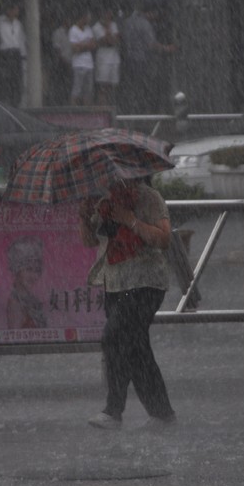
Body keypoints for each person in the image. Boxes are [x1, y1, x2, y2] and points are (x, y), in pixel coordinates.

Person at [78, 178, 176, 430]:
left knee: (114, 337)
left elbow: (164, 238)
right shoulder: (103, 200)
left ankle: (113, 410)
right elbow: (90, 242)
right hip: (114, 283)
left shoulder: (148, 197)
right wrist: (84, 218)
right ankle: (162, 413)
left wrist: (130, 219)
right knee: (136, 348)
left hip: (145, 282)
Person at [120, 1, 175, 114]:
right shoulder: (145, 24)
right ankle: (142, 113)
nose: (155, 17)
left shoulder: (128, 21)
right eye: (155, 14)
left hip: (128, 59)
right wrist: (167, 48)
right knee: (142, 89)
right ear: (150, 12)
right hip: (141, 61)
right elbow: (151, 45)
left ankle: (129, 112)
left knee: (131, 88)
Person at [6, 237, 47, 329]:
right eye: (28, 269)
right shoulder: (15, 303)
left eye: (36, 270)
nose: (33, 276)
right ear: (17, 271)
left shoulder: (31, 299)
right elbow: (15, 334)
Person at [0, 0, 27, 107]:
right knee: (4, 81)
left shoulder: (18, 24)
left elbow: (21, 40)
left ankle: (15, 104)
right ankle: (4, 103)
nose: (16, 12)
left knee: (16, 82)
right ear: (9, 10)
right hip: (5, 54)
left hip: (16, 54)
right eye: (15, 10)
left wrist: (23, 56)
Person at [92, 7, 121, 106]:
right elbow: (106, 41)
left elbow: (116, 41)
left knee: (111, 87)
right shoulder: (96, 27)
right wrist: (108, 30)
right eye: (108, 13)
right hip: (103, 60)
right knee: (102, 87)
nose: (110, 16)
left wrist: (111, 37)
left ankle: (110, 108)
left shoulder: (114, 25)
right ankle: (102, 108)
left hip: (114, 59)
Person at [69, 8, 96, 106]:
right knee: (77, 90)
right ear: (83, 17)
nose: (89, 20)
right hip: (78, 64)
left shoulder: (88, 29)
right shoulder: (73, 30)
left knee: (88, 91)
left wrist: (81, 45)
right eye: (88, 17)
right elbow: (74, 48)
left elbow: (93, 45)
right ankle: (73, 110)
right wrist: (86, 45)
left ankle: (87, 111)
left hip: (89, 65)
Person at [51, 15, 73, 105]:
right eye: (68, 20)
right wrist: (64, 61)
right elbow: (57, 49)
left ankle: (66, 102)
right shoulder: (58, 33)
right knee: (60, 85)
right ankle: (59, 103)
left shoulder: (72, 32)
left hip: (70, 63)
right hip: (61, 64)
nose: (70, 22)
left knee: (69, 85)